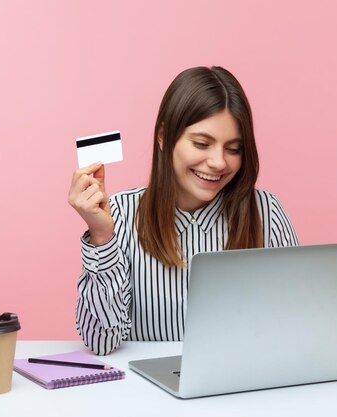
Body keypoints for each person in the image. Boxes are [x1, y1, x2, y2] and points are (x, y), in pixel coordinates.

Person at [68, 66, 298, 355]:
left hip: (239, 391)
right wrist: (102, 238)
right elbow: (101, 342)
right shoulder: (121, 215)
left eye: (233, 148)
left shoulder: (267, 213)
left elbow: (292, 331)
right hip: (146, 395)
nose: (218, 162)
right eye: (202, 143)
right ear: (164, 137)